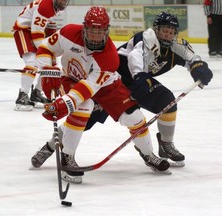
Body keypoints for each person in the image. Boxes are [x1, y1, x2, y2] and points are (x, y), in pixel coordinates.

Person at [31, 6, 171, 184]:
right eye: (92, 31)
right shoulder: (68, 33)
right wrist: (47, 69)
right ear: (84, 28)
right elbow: (45, 48)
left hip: (106, 85)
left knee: (135, 118)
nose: (96, 37)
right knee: (83, 107)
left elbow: (88, 88)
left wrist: (63, 104)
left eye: (100, 32)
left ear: (107, 31)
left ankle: (149, 155)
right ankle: (67, 158)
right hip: (71, 79)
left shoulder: (109, 57)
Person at [85, 11, 213, 167]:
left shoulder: (176, 46)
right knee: (88, 116)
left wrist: (198, 68)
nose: (167, 35)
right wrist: (139, 77)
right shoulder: (146, 39)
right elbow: (134, 57)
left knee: (167, 102)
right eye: (164, 31)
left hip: (140, 81)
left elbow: (192, 59)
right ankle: (57, 146)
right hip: (114, 79)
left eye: (171, 32)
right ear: (156, 30)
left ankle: (166, 145)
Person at [12, 0, 69, 111]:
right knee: (32, 62)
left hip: (35, 31)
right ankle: (22, 95)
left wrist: (52, 50)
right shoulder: (46, 6)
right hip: (23, 30)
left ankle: (37, 93)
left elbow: (50, 29)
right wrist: (46, 50)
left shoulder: (57, 8)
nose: (63, 2)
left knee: (49, 63)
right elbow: (36, 32)